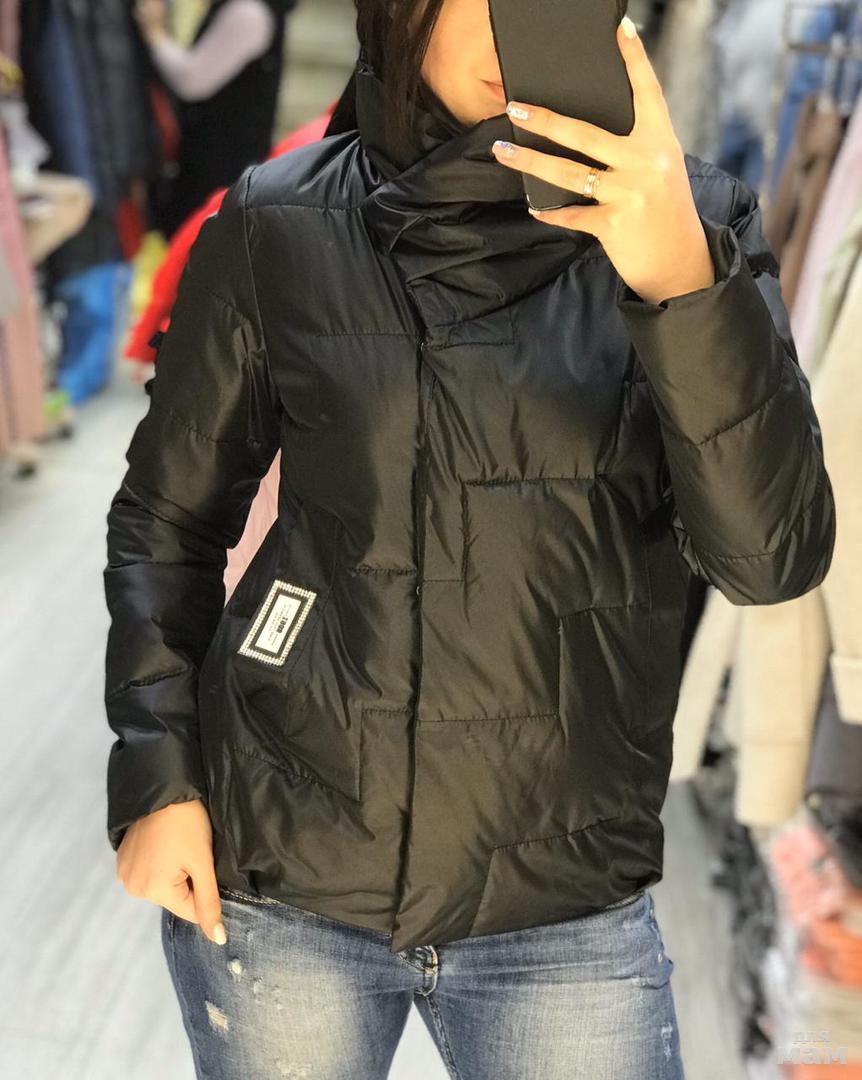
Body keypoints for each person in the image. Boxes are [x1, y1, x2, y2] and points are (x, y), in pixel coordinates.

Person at [103, 1, 837, 1076]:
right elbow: (167, 517)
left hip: (564, 902)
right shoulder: (280, 220)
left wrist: (681, 282)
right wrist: (158, 777)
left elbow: (771, 559)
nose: (512, 26)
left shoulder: (697, 224)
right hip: (286, 868)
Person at [134, 0, 297, 236]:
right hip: (218, 167)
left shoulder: (248, 12)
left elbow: (192, 81)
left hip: (219, 175)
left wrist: (155, 35)